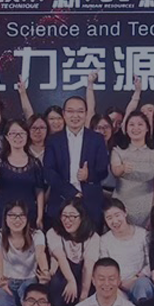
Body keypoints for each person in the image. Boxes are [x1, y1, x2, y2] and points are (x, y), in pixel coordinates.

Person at [44, 94, 111, 224]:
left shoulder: (97, 139)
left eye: (80, 111)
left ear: (86, 114)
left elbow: (103, 170)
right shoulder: (53, 140)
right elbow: (49, 172)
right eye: (70, 111)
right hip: (61, 199)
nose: (75, 116)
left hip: (90, 202)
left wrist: (89, 175)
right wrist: (70, 192)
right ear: (64, 114)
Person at [83, 199, 153, 301]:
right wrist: (116, 285)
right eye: (109, 218)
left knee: (142, 284)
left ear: (125, 212)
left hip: (140, 282)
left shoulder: (142, 234)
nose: (115, 221)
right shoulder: (104, 240)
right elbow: (105, 267)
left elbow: (151, 262)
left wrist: (137, 278)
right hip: (116, 286)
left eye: (117, 215)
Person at [0, 202, 46, 306]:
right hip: (6, 280)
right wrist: (0, 280)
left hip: (29, 280)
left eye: (21, 215)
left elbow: (40, 254)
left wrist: (45, 272)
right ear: (5, 218)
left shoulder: (37, 234)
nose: (17, 219)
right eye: (12, 215)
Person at [45, 200, 93, 306]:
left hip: (82, 274)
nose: (67, 220)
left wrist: (83, 298)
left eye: (72, 216)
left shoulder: (92, 236)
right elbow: (61, 257)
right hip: (63, 273)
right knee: (56, 281)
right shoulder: (53, 233)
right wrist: (71, 281)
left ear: (82, 217)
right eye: (64, 216)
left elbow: (88, 267)